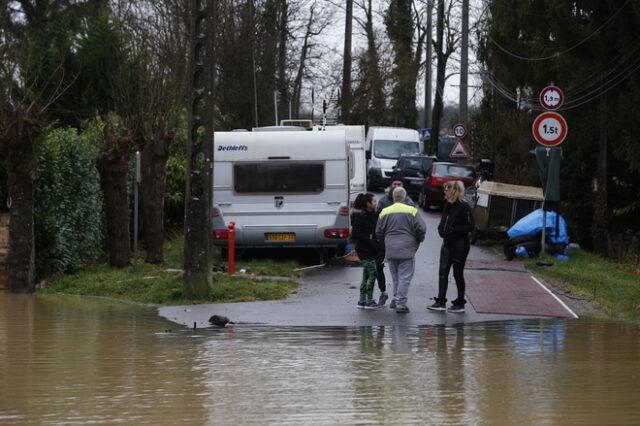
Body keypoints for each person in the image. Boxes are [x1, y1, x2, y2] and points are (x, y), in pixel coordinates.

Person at [376, 186, 426, 313]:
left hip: (390, 249)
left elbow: (378, 231)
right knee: (405, 276)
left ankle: (395, 298)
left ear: (393, 197)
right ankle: (401, 303)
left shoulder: (385, 211)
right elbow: (421, 228)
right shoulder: (412, 211)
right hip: (407, 249)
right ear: (404, 197)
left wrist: (385, 241)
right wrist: (419, 240)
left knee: (395, 276)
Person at [428, 180, 474, 313]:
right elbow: (444, 221)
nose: (445, 193)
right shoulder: (448, 205)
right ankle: (441, 300)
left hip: (460, 244)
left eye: (446, 190)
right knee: (443, 272)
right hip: (447, 243)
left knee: (457, 273)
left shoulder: (464, 207)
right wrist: (441, 229)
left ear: (453, 191)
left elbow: (470, 226)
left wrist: (453, 230)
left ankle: (460, 302)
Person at [374, 170, 414, 306]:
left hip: (402, 244)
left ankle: (397, 298)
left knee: (399, 272)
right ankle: (384, 292)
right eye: (394, 183)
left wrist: (414, 241)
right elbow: (377, 219)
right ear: (391, 185)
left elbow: (416, 224)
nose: (396, 186)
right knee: (379, 267)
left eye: (399, 184)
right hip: (385, 242)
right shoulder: (384, 201)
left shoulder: (409, 202)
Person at [351, 193, 381, 309]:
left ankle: (362, 300)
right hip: (365, 250)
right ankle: (369, 300)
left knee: (366, 275)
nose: (375, 203)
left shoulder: (373, 215)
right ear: (368, 204)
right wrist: (370, 242)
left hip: (370, 249)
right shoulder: (361, 216)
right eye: (374, 201)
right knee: (372, 274)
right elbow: (356, 233)